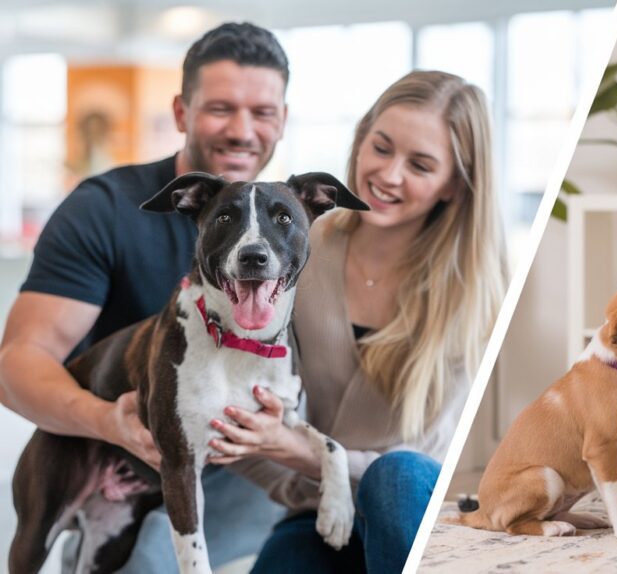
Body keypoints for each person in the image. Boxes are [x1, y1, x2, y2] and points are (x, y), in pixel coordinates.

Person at [0, 22, 291, 571]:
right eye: (221, 108)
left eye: (262, 112)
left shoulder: (293, 234)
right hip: (106, 447)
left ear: (282, 121)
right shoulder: (103, 210)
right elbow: (17, 364)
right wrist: (109, 422)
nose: (242, 130)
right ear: (181, 113)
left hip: (233, 470)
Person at [206, 70, 509, 573]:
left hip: (410, 510)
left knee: (396, 474)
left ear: (454, 184)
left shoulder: (475, 294)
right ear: (361, 140)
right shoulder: (296, 254)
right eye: (382, 148)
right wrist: (305, 473)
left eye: (420, 164)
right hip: (316, 509)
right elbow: (239, 419)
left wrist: (301, 452)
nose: (389, 175)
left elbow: (423, 464)